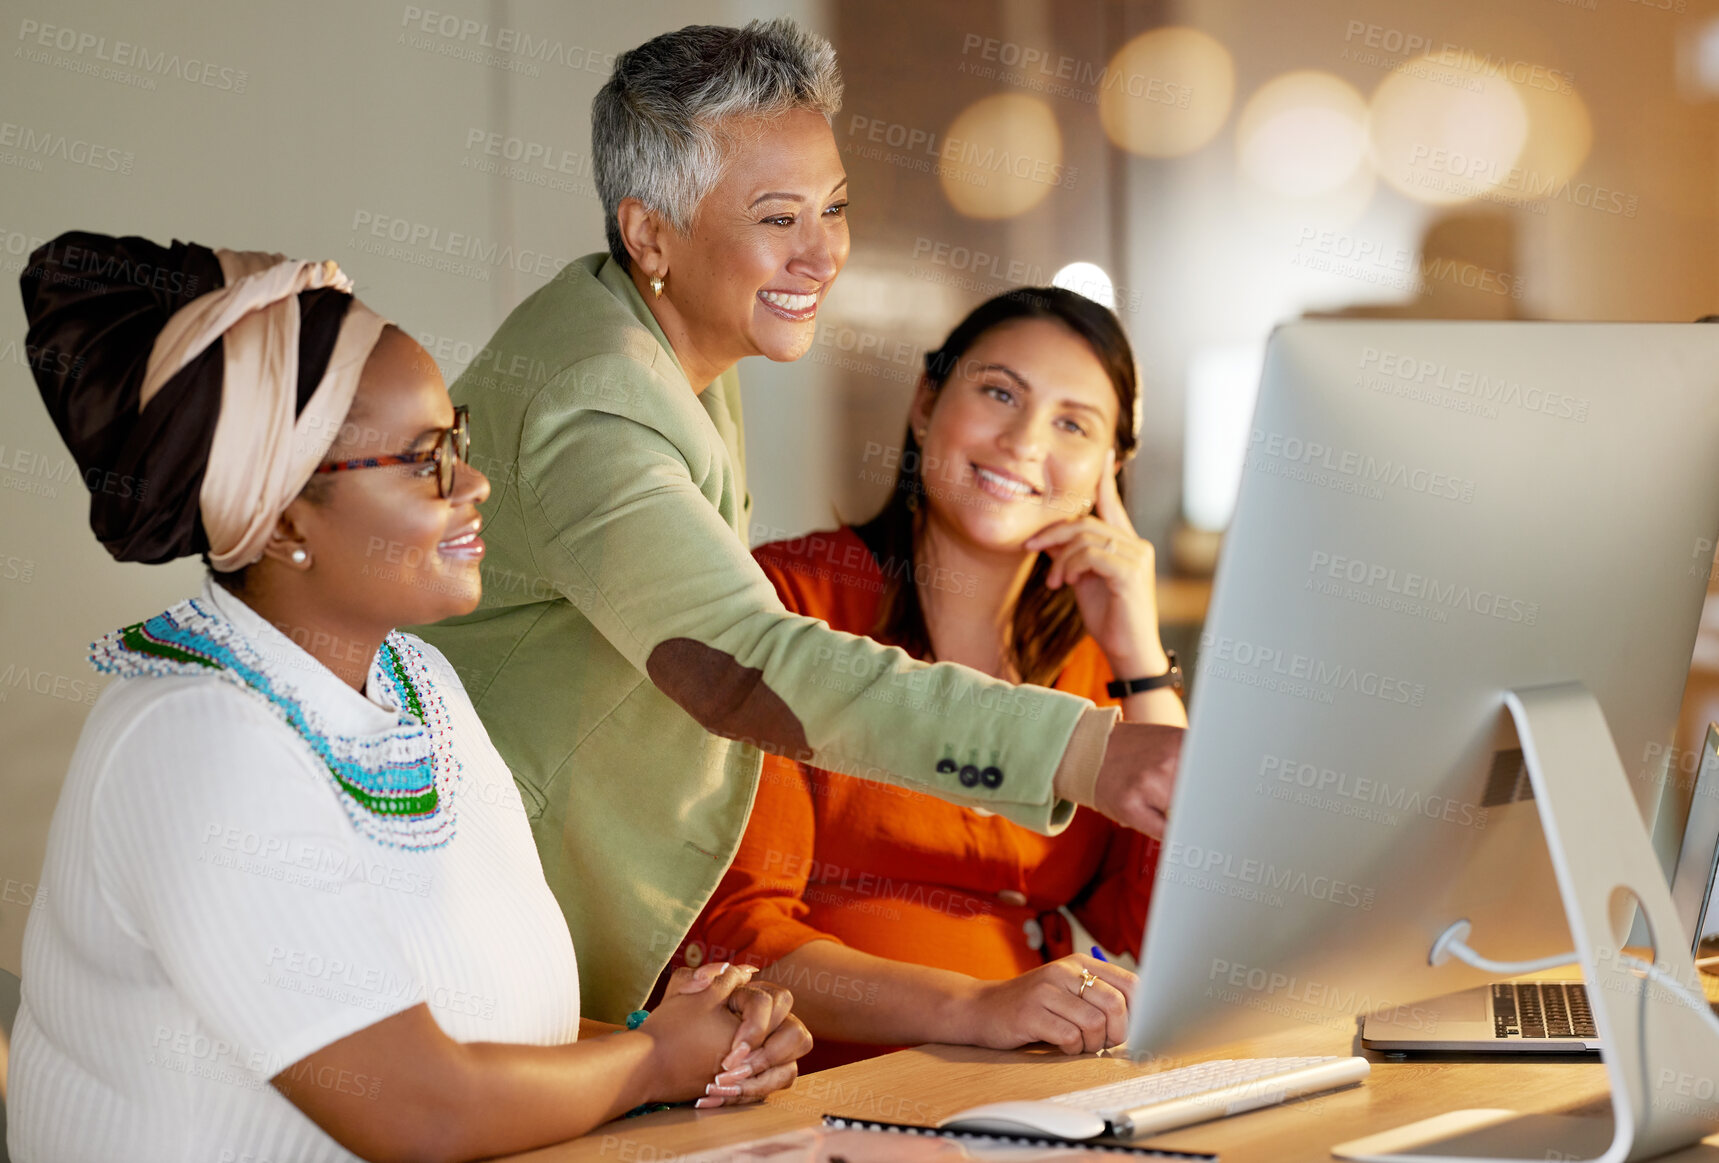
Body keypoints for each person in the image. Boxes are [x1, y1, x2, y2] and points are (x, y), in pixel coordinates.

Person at [415, 16, 1184, 1025]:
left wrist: (1140, 663)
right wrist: (1083, 752)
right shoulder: (599, 401)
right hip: (501, 910)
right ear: (651, 234)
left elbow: (1166, 919)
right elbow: (744, 662)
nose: (823, 253)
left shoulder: (666, 346)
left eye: (834, 207)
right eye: (780, 217)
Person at [9, 232, 808, 1163]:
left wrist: (702, 1045)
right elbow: (418, 1108)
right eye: (425, 460)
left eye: (456, 441)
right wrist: (651, 1063)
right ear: (281, 520)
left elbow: (481, 1036)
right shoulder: (193, 740)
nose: (473, 485)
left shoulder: (415, 681)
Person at [684, 288, 1186, 1071]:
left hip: (1033, 1088)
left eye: (1071, 424)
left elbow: (1177, 935)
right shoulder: (786, 606)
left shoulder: (1092, 665)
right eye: (997, 392)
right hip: (829, 1090)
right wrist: (976, 1007)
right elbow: (738, 938)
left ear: (1107, 473)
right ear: (925, 403)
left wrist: (1140, 659)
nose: (1023, 440)